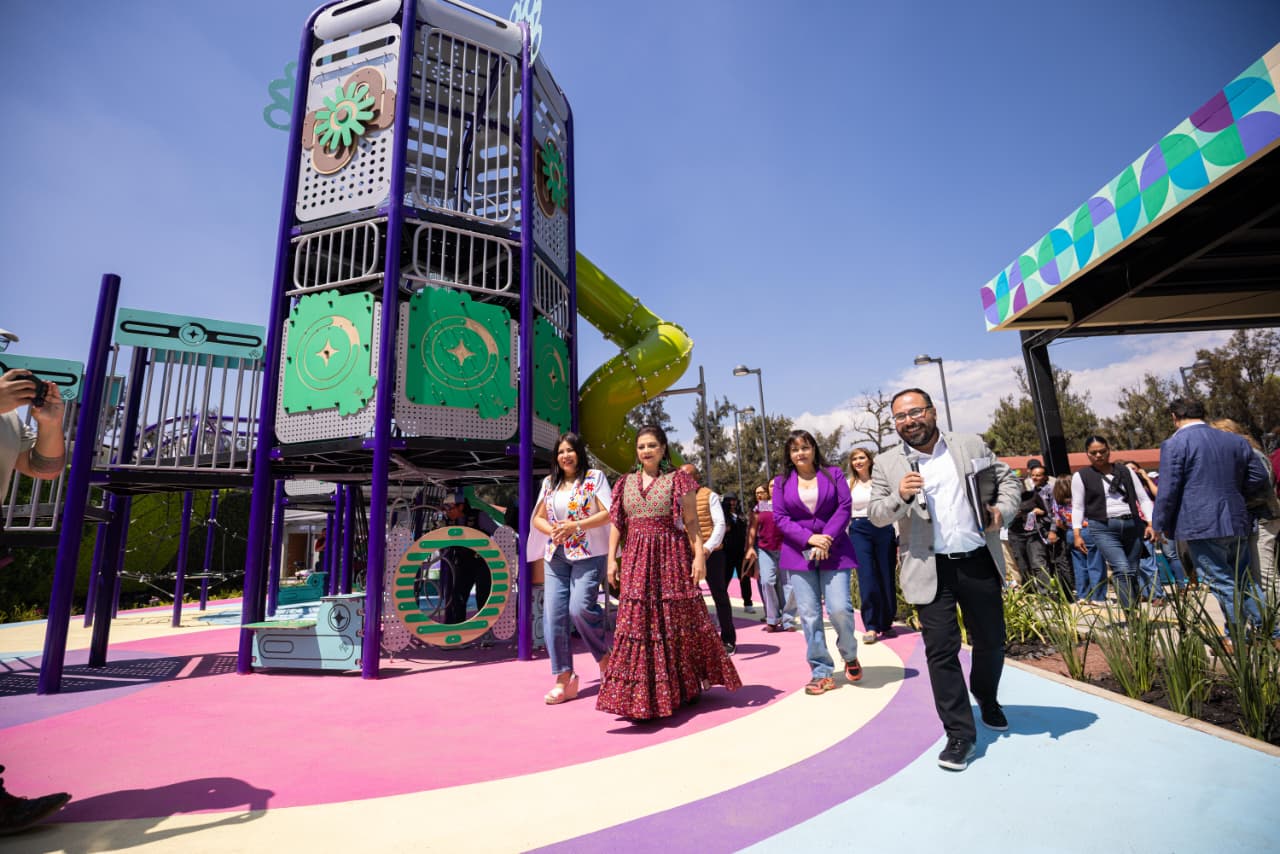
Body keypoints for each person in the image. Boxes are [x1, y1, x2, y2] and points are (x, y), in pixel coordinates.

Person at [868, 389, 1020, 772]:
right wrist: (900, 496)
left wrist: (1001, 512)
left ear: (933, 412)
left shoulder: (970, 445)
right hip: (929, 568)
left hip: (977, 560)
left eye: (915, 412)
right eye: (900, 417)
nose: (909, 421)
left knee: (991, 641)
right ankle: (959, 734)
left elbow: (1008, 481)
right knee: (941, 651)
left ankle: (985, 696)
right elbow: (876, 515)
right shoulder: (887, 464)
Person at [598, 425, 740, 720]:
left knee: (676, 619)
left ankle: (683, 686)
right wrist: (611, 560)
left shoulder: (679, 480)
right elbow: (617, 525)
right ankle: (640, 696)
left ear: (663, 448)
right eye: (641, 446)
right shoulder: (623, 483)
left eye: (652, 445)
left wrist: (698, 556)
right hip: (635, 558)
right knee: (637, 621)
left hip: (670, 557)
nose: (646, 451)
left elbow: (691, 522)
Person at [1153, 401, 1273, 649]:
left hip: (1200, 523)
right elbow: (1259, 476)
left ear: (1174, 417)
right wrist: (1235, 493)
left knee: (1222, 583)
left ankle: (1237, 638)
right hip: (1236, 518)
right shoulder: (1235, 441)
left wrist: (1160, 523)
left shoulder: (1174, 444)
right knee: (1245, 580)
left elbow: (1168, 489)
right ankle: (1272, 631)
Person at [772, 429, 861, 696]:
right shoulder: (781, 482)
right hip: (799, 553)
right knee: (810, 615)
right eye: (795, 449)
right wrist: (809, 538)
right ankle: (821, 671)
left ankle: (849, 654)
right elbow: (780, 517)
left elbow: (844, 507)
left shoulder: (833, 474)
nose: (800, 453)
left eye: (805, 447)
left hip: (835, 549)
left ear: (814, 449)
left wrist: (825, 539)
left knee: (839, 609)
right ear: (789, 454)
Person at [530, 432, 613, 704]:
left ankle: (605, 659)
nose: (565, 456)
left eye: (570, 450)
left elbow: (608, 513)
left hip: (589, 553)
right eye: (560, 452)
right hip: (556, 555)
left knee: (578, 609)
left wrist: (575, 526)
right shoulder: (549, 483)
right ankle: (563, 678)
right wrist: (554, 530)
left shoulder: (594, 478)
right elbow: (538, 518)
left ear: (579, 453)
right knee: (553, 615)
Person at [1069, 437, 1154, 610]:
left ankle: (1134, 609)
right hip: (1103, 527)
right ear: (1087, 454)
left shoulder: (1126, 471)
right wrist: (1077, 534)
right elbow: (1077, 506)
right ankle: (1130, 614)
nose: (1098, 455)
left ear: (1109, 450)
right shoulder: (1081, 476)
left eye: (1102, 451)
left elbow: (1143, 498)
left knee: (1132, 571)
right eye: (1093, 453)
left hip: (1132, 525)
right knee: (1122, 569)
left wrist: (1151, 523)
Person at [1210, 419, 1280, 594]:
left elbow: (1263, 482)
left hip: (1263, 518)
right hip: (1255, 519)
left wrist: (1235, 495)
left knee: (1264, 575)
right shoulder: (1245, 452)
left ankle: (1275, 610)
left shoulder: (1252, 454)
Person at [679, 463, 735, 655]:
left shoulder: (709, 495)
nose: (684, 479)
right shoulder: (677, 498)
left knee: (719, 595)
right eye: (681, 475)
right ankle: (695, 641)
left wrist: (707, 548)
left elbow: (720, 524)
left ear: (696, 478)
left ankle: (728, 639)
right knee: (687, 598)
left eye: (688, 475)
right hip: (687, 554)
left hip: (712, 553)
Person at [846, 447, 898, 643]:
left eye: (861, 457)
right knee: (867, 577)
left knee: (886, 575)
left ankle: (887, 622)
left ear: (869, 460)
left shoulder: (881, 482)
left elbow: (894, 507)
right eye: (854, 459)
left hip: (883, 527)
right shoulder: (849, 484)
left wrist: (898, 533)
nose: (858, 461)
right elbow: (844, 511)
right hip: (859, 530)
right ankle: (871, 626)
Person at [439, 492, 496, 625]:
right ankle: (459, 629)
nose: (447, 512)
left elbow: (499, 533)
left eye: (450, 508)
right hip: (462, 563)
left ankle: (486, 630)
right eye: (445, 509)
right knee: (457, 597)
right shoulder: (448, 522)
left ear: (461, 506)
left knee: (483, 597)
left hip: (482, 562)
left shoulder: (479, 516)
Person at [745, 483, 795, 632]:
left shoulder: (787, 505)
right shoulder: (760, 507)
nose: (774, 488)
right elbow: (752, 528)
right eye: (771, 486)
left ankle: (788, 620)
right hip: (765, 550)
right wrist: (749, 547)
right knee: (766, 582)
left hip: (786, 549)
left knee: (789, 585)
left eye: (776, 486)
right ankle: (772, 619)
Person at [1052, 476, 1105, 603]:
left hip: (1070, 533)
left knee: (1079, 565)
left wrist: (1068, 528)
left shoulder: (1057, 501)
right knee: (1095, 563)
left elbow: (1058, 522)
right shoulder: (1081, 497)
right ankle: (1098, 597)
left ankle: (1083, 595)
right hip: (1088, 529)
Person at [721, 494, 753, 614]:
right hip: (727, 553)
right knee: (724, 580)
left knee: (744, 578)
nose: (732, 503)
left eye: (734, 500)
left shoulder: (741, 515)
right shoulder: (722, 516)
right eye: (729, 501)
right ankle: (723, 606)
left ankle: (748, 603)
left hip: (741, 552)